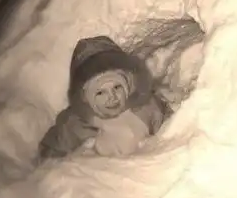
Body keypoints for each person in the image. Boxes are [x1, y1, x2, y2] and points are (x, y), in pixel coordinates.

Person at [38, 35, 170, 160]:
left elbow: (173, 128)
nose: (112, 97)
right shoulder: (75, 124)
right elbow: (50, 154)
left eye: (117, 87)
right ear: (84, 97)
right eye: (100, 93)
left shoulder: (145, 107)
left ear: (129, 84)